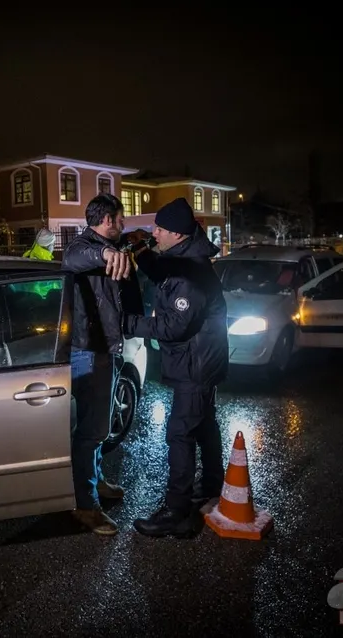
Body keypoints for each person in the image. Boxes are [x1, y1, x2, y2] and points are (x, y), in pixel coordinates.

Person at [122, 198, 229, 538]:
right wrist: (140, 252)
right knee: (204, 422)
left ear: (178, 234)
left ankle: (177, 511)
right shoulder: (185, 260)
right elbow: (164, 273)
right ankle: (213, 484)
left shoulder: (191, 276)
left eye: (160, 229)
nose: (154, 232)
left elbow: (173, 327)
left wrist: (127, 323)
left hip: (195, 365)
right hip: (203, 360)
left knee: (180, 433)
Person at [61, 193, 143, 535]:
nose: (124, 224)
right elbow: (73, 257)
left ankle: (93, 481)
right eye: (121, 218)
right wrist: (106, 252)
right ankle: (85, 504)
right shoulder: (84, 246)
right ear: (107, 220)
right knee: (92, 429)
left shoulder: (117, 245)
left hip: (106, 347)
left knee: (98, 425)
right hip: (88, 349)